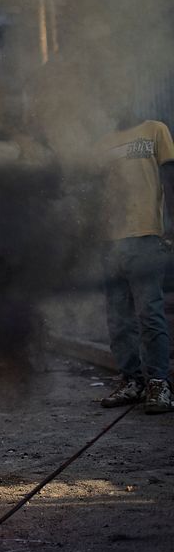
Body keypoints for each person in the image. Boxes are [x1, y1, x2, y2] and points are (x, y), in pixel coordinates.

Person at [97, 118, 174, 413]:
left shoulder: (156, 129)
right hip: (109, 241)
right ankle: (132, 381)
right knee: (118, 319)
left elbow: (170, 177)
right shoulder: (101, 144)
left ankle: (158, 382)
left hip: (145, 235)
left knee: (149, 312)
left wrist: (171, 225)